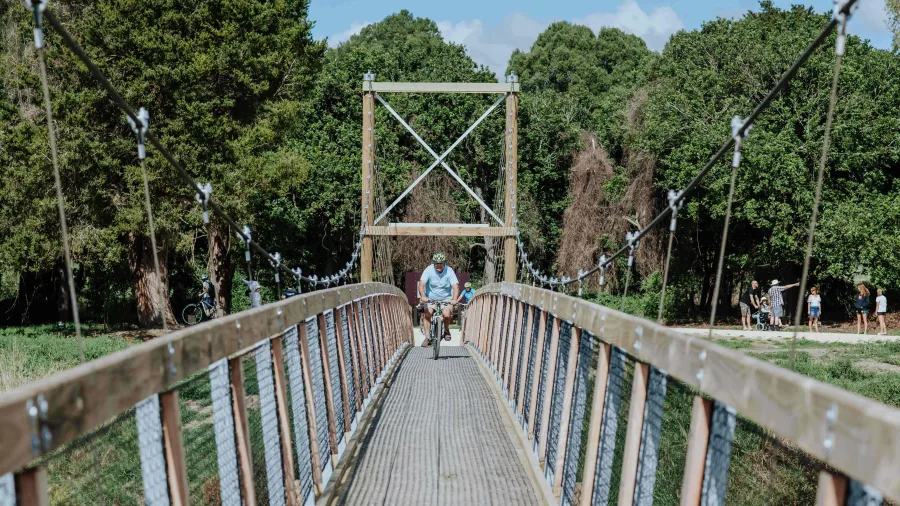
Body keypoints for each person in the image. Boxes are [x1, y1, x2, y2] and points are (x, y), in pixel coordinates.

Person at [417, 252, 459, 345]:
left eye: (440, 263)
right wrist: (423, 296)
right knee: (427, 313)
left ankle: (446, 330)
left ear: (444, 263)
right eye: (436, 263)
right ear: (434, 263)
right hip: (430, 298)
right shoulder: (428, 270)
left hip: (446, 298)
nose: (438, 265)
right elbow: (422, 284)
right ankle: (427, 337)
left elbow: (455, 286)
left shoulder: (449, 271)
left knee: (447, 315)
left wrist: (454, 299)